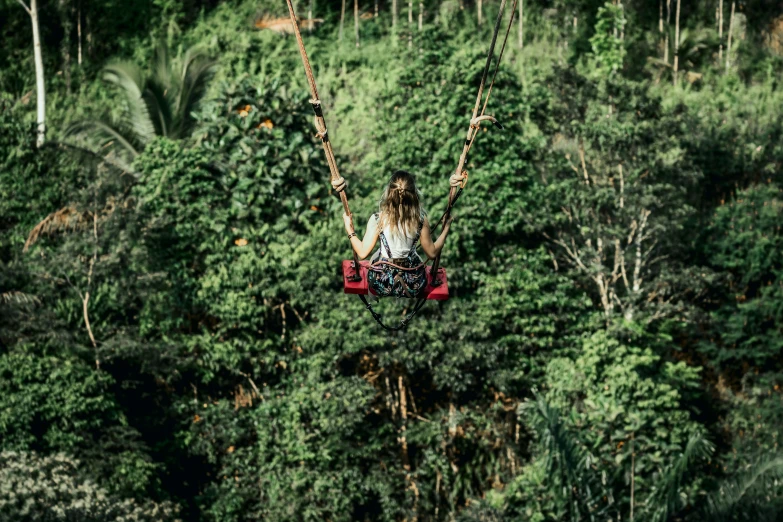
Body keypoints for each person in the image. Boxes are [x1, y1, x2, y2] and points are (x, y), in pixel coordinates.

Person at [332, 170, 465, 298]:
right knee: (410, 255)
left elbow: (362, 253)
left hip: (381, 284)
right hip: (414, 284)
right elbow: (432, 253)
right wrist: (446, 227)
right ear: (413, 194)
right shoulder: (420, 220)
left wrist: (350, 230)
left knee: (375, 256)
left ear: (389, 193)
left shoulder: (379, 219)